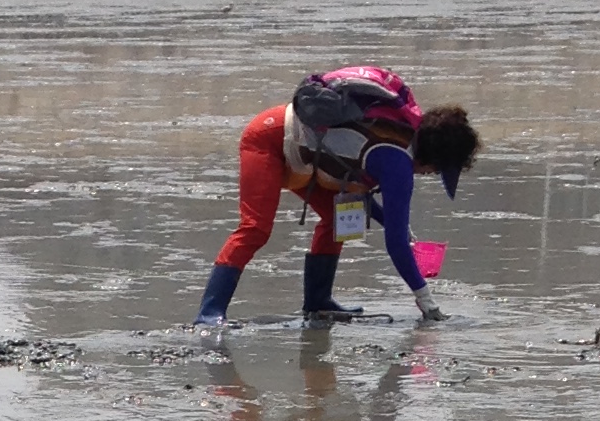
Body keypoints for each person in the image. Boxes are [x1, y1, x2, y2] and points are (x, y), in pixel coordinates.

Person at [196, 67, 478, 329]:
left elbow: (366, 201)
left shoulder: (405, 134)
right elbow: (395, 245)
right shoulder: (397, 163)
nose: (430, 175)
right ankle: (210, 312)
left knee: (336, 219)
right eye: (437, 170)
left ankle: (318, 302)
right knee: (255, 228)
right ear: (434, 158)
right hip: (269, 138)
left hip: (307, 159)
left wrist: (396, 223)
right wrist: (426, 300)